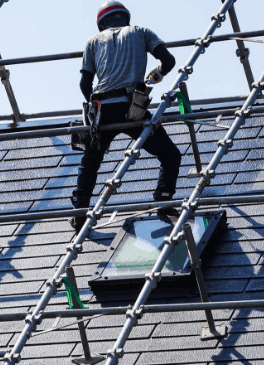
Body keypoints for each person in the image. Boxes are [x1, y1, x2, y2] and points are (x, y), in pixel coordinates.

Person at [71, 1, 182, 231]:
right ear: (126, 18)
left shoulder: (93, 41)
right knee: (169, 153)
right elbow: (168, 61)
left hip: (103, 108)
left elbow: (84, 83)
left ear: (102, 23)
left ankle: (80, 213)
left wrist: (92, 106)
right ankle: (163, 198)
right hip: (132, 105)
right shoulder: (141, 32)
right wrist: (155, 76)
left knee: (90, 160)